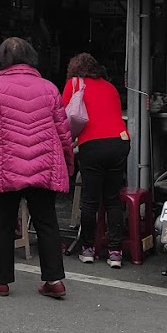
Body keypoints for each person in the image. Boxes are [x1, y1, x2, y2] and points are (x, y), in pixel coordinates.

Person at [0, 37, 73, 299]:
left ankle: (1, 281)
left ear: (1, 59)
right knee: (47, 222)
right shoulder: (49, 88)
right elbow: (64, 133)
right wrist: (68, 166)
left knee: (2, 223)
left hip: (6, 168)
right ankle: (54, 281)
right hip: (44, 165)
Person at [61, 53, 131, 268]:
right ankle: (115, 252)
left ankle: (88, 248)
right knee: (112, 199)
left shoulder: (74, 84)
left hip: (92, 145)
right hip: (120, 142)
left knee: (90, 200)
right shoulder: (110, 87)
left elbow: (64, 116)